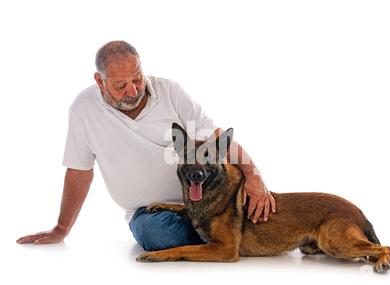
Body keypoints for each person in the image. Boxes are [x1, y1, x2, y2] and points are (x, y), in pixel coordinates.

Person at [16, 41, 276, 251]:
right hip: (154, 213)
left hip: (212, 196)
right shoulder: (83, 109)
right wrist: (62, 228)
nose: (132, 90)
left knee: (262, 210)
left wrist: (253, 175)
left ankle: (231, 232)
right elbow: (79, 170)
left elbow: (215, 137)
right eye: (120, 85)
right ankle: (232, 235)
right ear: (99, 81)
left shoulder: (170, 92)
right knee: (155, 234)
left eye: (137, 79)